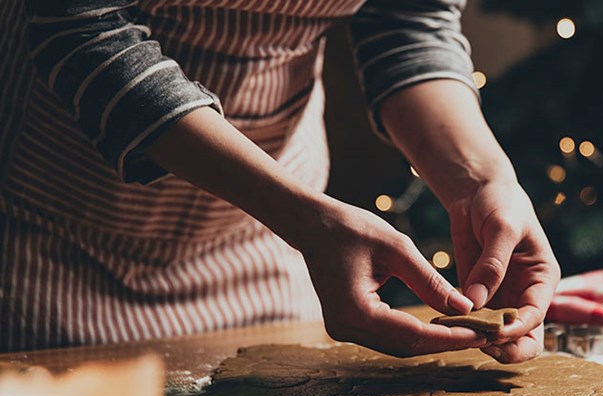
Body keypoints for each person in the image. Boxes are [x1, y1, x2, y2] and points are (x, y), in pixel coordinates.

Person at [0, 0, 560, 362]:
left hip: (272, 241)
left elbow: (407, 22)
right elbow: (80, 26)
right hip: (62, 235)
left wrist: (482, 180)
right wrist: (306, 221)